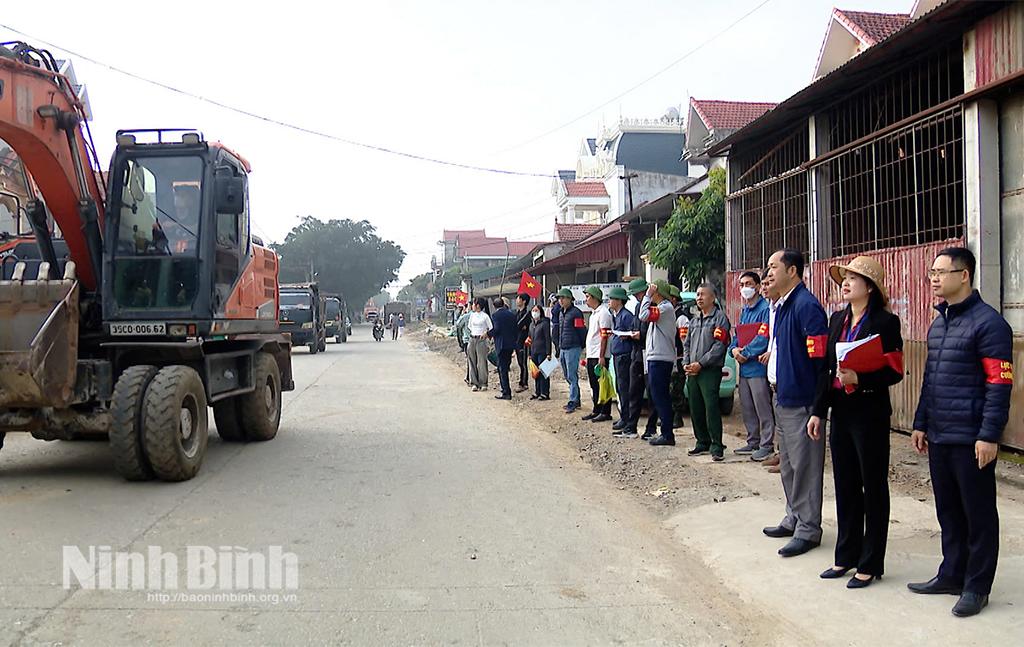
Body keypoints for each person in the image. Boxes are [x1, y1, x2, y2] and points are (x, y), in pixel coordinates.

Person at [907, 247, 1012, 618]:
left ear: (964, 275)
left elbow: (999, 385)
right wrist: (921, 423)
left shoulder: (990, 324)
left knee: (978, 514)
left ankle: (977, 586)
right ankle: (952, 573)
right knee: (948, 510)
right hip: (939, 434)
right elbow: (930, 380)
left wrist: (989, 435)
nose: (933, 278)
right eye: (931, 273)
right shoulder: (940, 324)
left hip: (971, 438)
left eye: (940, 272)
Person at [808, 256, 904, 589]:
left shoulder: (885, 322)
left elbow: (894, 370)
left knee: (873, 486)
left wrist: (860, 377)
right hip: (842, 413)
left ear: (870, 286)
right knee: (846, 485)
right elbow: (825, 369)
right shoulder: (837, 320)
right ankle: (845, 556)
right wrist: (818, 411)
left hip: (870, 414)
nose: (846, 283)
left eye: (853, 278)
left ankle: (871, 561)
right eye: (844, 278)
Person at [761, 248, 829, 558]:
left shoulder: (806, 306)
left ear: (793, 271)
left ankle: (809, 528)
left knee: (806, 467)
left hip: (801, 401)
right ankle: (793, 516)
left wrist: (818, 406)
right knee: (788, 465)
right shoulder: (781, 307)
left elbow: (819, 363)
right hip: (782, 396)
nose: (768, 272)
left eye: (774, 266)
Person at [681, 283, 731, 461]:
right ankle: (702, 441)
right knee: (695, 407)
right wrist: (687, 363)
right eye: (697, 295)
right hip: (693, 371)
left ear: (713, 298)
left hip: (709, 370)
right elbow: (686, 344)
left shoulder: (719, 319)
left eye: (703, 294)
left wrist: (700, 363)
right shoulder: (694, 320)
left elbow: (719, 346)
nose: (699, 298)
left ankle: (717, 445)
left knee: (711, 407)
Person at [729, 271, 774, 462]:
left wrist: (745, 353)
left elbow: (763, 337)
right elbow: (737, 336)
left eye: (748, 283)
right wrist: (733, 350)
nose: (745, 288)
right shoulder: (745, 311)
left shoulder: (765, 309)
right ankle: (753, 440)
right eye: (741, 284)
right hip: (744, 367)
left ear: (757, 286)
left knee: (762, 406)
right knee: (747, 406)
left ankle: (766, 444)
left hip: (757, 367)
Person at [639, 280, 678, 446]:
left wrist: (647, 297)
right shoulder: (664, 308)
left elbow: (643, 316)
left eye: (652, 291)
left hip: (661, 357)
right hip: (656, 356)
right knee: (657, 395)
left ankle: (667, 433)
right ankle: (666, 432)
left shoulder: (665, 308)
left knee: (660, 396)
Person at [607, 287, 637, 437]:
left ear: (618, 300)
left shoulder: (626, 316)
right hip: (618, 355)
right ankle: (623, 416)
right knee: (619, 388)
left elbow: (632, 333)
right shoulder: (616, 315)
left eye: (612, 299)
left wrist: (626, 335)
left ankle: (626, 419)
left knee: (624, 388)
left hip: (625, 355)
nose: (609, 301)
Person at [583, 286, 614, 423]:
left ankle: (605, 411)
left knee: (602, 383)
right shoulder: (594, 313)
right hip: (592, 354)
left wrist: (601, 356)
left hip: (599, 355)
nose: (586, 299)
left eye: (588, 296)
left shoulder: (604, 313)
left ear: (595, 298)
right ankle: (596, 408)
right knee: (593, 384)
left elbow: (604, 336)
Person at [624, 279, 651, 438]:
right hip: (636, 354)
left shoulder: (651, 307)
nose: (636, 296)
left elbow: (651, 331)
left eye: (637, 293)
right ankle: (631, 427)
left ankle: (651, 428)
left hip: (648, 354)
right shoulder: (637, 307)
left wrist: (640, 335)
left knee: (651, 393)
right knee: (633, 391)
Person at [555, 288, 586, 413]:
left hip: (573, 347)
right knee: (567, 374)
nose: (560, 300)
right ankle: (576, 398)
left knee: (572, 375)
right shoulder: (561, 313)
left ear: (569, 299)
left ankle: (573, 401)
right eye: (559, 298)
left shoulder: (576, 313)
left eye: (563, 298)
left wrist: (581, 345)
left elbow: (581, 330)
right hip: (563, 347)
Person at [490, 298, 517, 400]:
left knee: (502, 369)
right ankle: (506, 390)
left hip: (501, 345)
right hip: (510, 345)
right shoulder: (511, 314)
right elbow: (515, 329)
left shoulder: (496, 316)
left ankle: (506, 392)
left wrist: (488, 334)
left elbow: (496, 329)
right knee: (506, 367)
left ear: (494, 306)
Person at [466, 298, 493, 392]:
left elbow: (491, 328)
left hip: (481, 340)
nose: (473, 305)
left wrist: (485, 333)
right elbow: (470, 326)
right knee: (472, 360)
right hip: (472, 338)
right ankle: (474, 382)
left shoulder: (485, 316)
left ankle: (483, 382)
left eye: (474, 304)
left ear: (478, 305)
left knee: (482, 362)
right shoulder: (472, 315)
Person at [527, 303, 552, 401]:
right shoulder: (531, 324)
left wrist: (548, 353)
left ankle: (545, 393)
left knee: (544, 372)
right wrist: (529, 353)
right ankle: (537, 392)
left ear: (540, 312)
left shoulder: (544, 323)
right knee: (535, 372)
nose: (534, 313)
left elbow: (547, 339)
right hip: (534, 351)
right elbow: (529, 339)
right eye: (533, 311)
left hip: (543, 351)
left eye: (536, 310)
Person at [514, 294, 532, 393]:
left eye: (518, 299)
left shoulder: (526, 313)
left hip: (523, 342)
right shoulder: (518, 313)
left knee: (523, 363)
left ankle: (524, 383)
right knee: (520, 363)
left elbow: (517, 325)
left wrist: (520, 327)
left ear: (524, 301)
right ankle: (522, 381)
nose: (517, 301)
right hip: (517, 341)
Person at [454, 305, 472, 384]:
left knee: (470, 360)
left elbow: (458, 326)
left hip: (467, 341)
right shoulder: (483, 316)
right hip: (479, 340)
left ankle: (469, 377)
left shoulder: (466, 316)